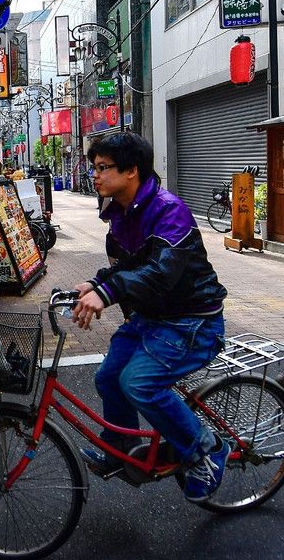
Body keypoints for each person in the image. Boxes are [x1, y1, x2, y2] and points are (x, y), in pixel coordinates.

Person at [71, 132, 230, 503]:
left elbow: (161, 272)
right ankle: (122, 446)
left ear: (132, 171)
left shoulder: (167, 209)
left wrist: (107, 293)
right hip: (154, 317)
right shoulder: (122, 214)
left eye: (103, 167)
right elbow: (129, 266)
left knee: (139, 384)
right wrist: (95, 283)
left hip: (192, 321)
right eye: (93, 168)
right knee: (109, 376)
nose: (95, 175)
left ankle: (207, 450)